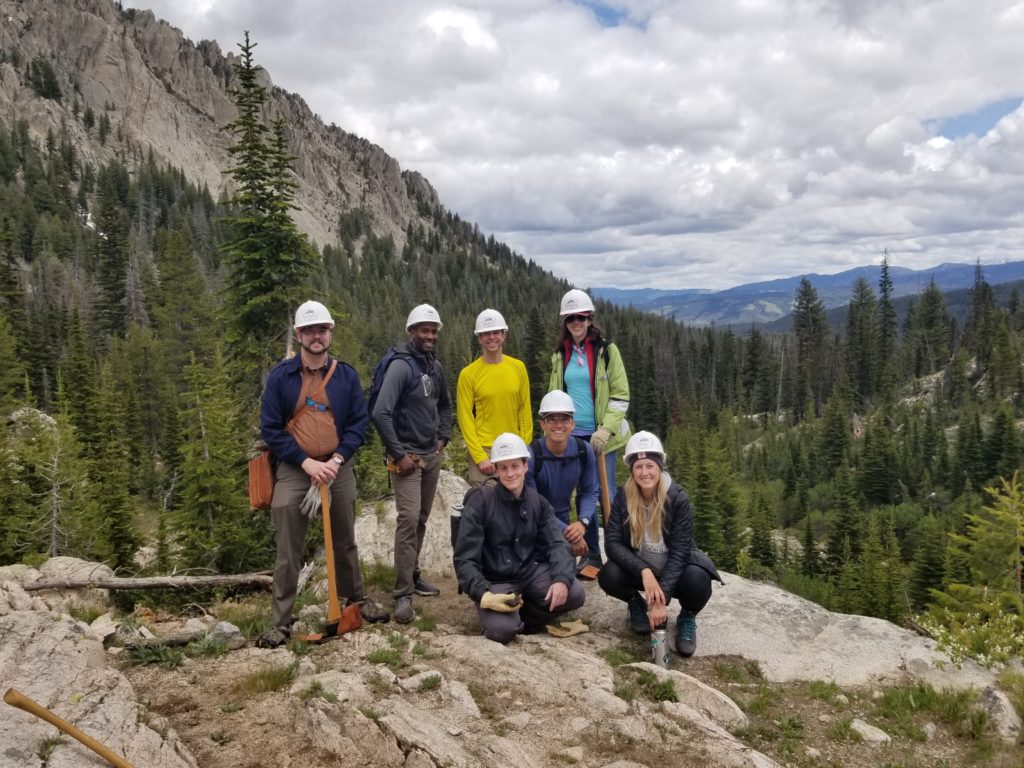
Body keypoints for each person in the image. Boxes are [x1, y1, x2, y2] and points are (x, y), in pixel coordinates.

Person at [258, 300, 389, 647]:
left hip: (337, 467)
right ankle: (280, 622)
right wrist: (306, 463)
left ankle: (355, 600)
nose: (316, 336)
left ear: (329, 333)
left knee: (345, 540)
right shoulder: (281, 377)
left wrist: (337, 459)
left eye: (322, 330)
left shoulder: (345, 376)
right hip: (295, 468)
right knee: (288, 548)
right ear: (299, 334)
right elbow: (270, 429)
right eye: (310, 331)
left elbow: (358, 424)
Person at [598, 431, 722, 658]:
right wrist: (643, 571)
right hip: (643, 571)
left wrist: (660, 600)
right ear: (632, 470)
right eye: (638, 467)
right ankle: (635, 603)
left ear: (659, 467)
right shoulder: (624, 497)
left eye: (650, 466)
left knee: (699, 581)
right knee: (608, 574)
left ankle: (687, 616)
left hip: (674, 569)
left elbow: (680, 552)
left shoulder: (677, 498)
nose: (644, 472)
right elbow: (612, 544)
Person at [454, 433, 586, 644]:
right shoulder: (480, 502)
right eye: (503, 468)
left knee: (575, 593)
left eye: (515, 466)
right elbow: (464, 558)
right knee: (502, 631)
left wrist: (561, 579)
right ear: (496, 470)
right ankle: (505, 619)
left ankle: (520, 618)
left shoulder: (539, 503)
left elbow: (557, 544)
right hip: (495, 580)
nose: (510, 474)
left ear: (525, 466)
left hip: (530, 572)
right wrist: (483, 593)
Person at [371, 303, 452, 624]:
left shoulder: (434, 367)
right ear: (411, 332)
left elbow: (444, 405)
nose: (429, 335)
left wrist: (443, 437)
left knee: (420, 518)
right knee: (407, 520)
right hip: (407, 459)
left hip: (431, 455)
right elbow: (380, 412)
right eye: (423, 330)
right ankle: (403, 592)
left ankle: (413, 574)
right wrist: (399, 454)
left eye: (433, 331)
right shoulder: (401, 367)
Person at [549, 288, 631, 577]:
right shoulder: (560, 355)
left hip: (601, 437)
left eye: (581, 317)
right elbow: (555, 396)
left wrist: (606, 429)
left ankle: (619, 556)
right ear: (565, 321)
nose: (576, 322)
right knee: (584, 494)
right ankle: (593, 556)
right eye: (571, 318)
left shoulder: (607, 351)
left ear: (589, 319)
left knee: (606, 495)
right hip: (572, 437)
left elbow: (620, 395)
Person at [457, 308, 533, 486]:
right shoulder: (468, 374)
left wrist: (523, 447)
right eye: (486, 333)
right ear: (479, 338)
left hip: (514, 447)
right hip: (485, 450)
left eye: (496, 332)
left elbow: (524, 410)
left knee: (515, 499)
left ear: (503, 335)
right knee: (486, 500)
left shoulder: (518, 367)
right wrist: (479, 457)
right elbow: (465, 418)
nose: (491, 337)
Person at [526, 390, 599, 566]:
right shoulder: (531, 455)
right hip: (534, 525)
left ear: (572, 424)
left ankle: (592, 558)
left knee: (565, 569)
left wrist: (582, 523)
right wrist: (569, 533)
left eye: (564, 419)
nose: (558, 425)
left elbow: (590, 491)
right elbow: (533, 505)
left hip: (564, 524)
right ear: (543, 424)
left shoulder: (583, 451)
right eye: (552, 419)